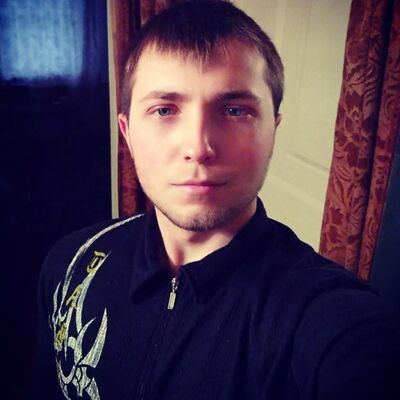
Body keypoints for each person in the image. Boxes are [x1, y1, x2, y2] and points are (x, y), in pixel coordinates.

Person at [30, 1, 400, 399]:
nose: (198, 147)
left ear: (273, 129)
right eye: (164, 110)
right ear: (127, 133)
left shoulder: (333, 321)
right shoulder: (70, 262)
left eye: (235, 110)